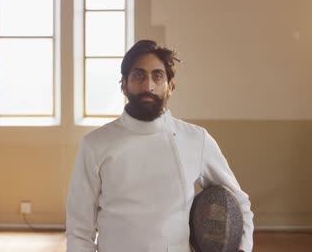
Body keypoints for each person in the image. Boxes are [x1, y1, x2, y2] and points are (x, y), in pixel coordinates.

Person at [66, 40, 254, 252]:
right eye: (138, 75)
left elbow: (240, 204)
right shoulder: (95, 144)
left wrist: (242, 249)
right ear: (124, 85)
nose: (148, 86)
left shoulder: (196, 139)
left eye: (157, 76)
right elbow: (79, 229)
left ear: (170, 86)